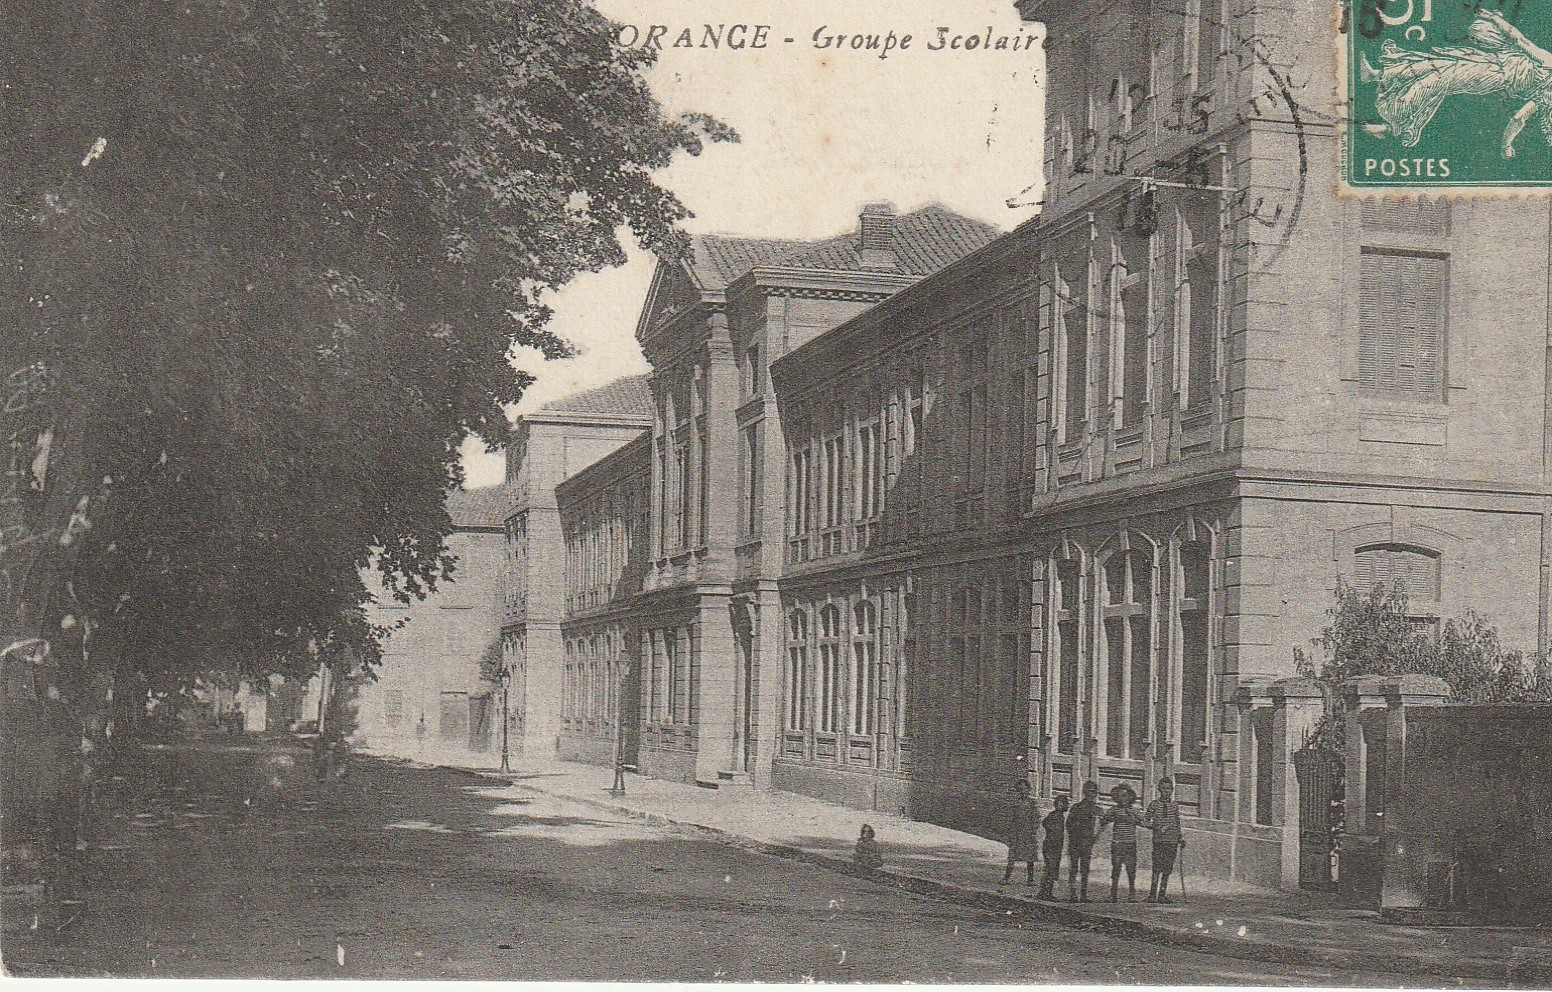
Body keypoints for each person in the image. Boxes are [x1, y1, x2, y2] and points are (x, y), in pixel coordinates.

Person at [1143, 776, 1185, 903]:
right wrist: (1155, 827)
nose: (1166, 791)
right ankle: (1152, 895)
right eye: (1163, 789)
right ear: (1159, 790)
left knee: (1167, 869)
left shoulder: (1174, 806)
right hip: (1159, 841)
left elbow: (1177, 823)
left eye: (1168, 789)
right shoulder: (1154, 805)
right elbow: (1145, 821)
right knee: (1156, 868)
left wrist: (1180, 838)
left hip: (1171, 841)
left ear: (1172, 790)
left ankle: (1162, 894)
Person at [1098, 783, 1142, 902]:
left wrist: (1135, 820)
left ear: (1130, 798)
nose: (1123, 799)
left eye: (1126, 796)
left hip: (1130, 843)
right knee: (1116, 868)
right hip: (1117, 843)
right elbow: (1104, 821)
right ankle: (1113, 894)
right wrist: (1106, 818)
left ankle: (1132, 894)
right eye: (1121, 796)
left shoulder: (1134, 811)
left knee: (1131, 870)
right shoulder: (1114, 810)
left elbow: (1143, 822)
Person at [1000, 779, 1042, 886]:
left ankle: (1030, 879)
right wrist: (1010, 832)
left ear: (1028, 790)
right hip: (1017, 833)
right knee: (1012, 856)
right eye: (1020, 789)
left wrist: (1033, 830)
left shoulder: (1032, 803)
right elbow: (1010, 818)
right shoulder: (1015, 803)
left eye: (1025, 788)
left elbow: (1036, 818)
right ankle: (1006, 878)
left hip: (1028, 833)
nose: (1023, 791)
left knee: (1030, 858)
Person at [1065, 781, 1101, 902]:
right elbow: (1068, 825)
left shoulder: (1097, 809)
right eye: (1090, 792)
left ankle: (1084, 895)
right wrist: (1078, 825)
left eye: (1095, 792)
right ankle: (1072, 894)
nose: (1093, 794)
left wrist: (1096, 837)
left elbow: (1102, 824)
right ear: (1085, 792)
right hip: (1075, 842)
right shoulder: (1076, 807)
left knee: (1085, 869)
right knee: (1074, 869)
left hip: (1087, 843)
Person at [1036, 794, 1069, 900]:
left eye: (1063, 804)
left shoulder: (1060, 816)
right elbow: (1045, 823)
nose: (1061, 806)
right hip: (1051, 845)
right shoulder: (1054, 815)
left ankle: (1045, 892)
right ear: (1056, 805)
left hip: (1056, 846)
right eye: (1059, 803)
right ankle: (1045, 893)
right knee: (1050, 869)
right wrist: (1052, 831)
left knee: (1052, 869)